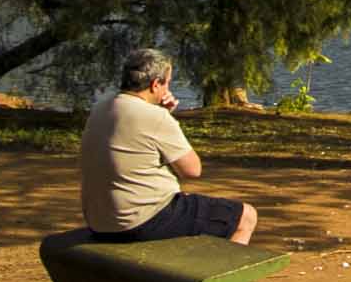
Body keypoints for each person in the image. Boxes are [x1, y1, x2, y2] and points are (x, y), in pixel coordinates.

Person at [79, 47, 258, 245]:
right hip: (141, 221)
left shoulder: (101, 108)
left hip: (101, 222)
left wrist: (162, 114)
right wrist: (164, 116)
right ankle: (221, 274)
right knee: (246, 216)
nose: (167, 91)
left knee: (190, 206)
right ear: (156, 84)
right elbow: (192, 170)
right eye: (167, 83)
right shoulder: (155, 117)